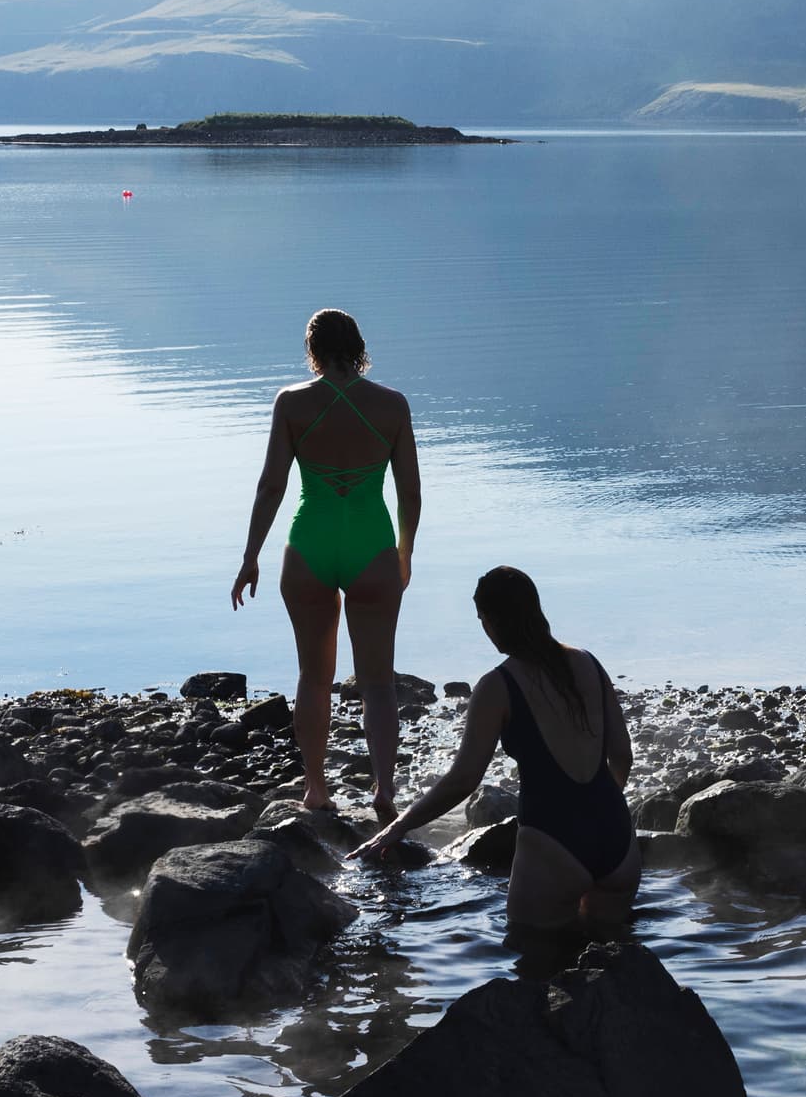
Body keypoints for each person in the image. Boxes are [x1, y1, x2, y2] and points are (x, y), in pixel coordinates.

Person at [357, 566, 642, 932]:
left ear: (491, 621)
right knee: (615, 952)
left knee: (533, 956)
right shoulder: (589, 662)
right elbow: (622, 755)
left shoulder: (498, 685)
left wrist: (397, 827)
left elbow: (463, 780)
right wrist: (597, 815)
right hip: (617, 840)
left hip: (553, 841)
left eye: (482, 621)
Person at [231, 309, 419, 820]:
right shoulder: (392, 405)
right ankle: (384, 790)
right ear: (359, 348)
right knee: (378, 682)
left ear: (312, 351)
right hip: (372, 545)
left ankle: (316, 789)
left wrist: (250, 556)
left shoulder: (291, 403)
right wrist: (404, 552)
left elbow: (271, 486)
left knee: (314, 678)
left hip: (309, 545)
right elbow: (409, 492)